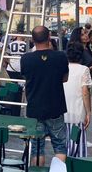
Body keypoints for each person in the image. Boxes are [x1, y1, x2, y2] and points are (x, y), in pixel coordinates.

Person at [21, 26, 69, 165]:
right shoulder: (60, 56)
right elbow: (65, 78)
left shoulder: (26, 59)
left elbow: (25, 77)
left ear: (32, 40)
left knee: (36, 148)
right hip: (56, 107)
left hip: (34, 108)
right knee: (60, 146)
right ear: (49, 37)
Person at [64, 42, 92, 157]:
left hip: (62, 111)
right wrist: (89, 112)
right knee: (77, 146)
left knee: (63, 145)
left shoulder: (62, 68)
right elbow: (85, 92)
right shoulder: (84, 69)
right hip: (77, 112)